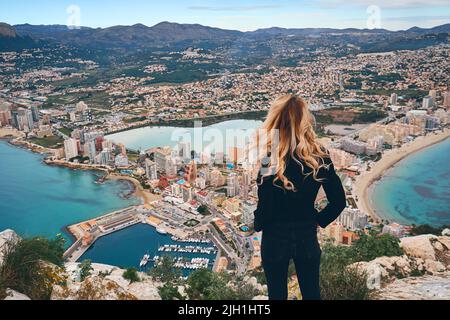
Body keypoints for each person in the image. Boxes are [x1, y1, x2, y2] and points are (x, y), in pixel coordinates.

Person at [253, 94, 346, 300]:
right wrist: (317, 220)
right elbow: (339, 202)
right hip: (306, 235)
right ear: (304, 121)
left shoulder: (271, 160)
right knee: (312, 294)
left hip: (275, 238)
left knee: (276, 295)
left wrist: (256, 224)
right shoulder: (319, 156)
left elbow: (265, 209)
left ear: (276, 121)